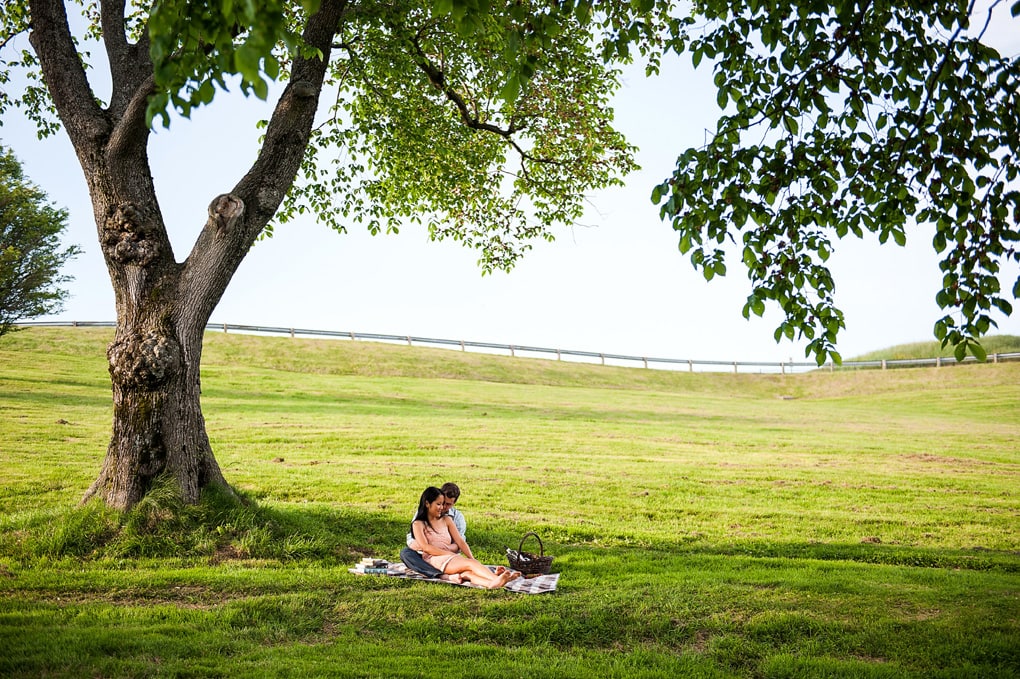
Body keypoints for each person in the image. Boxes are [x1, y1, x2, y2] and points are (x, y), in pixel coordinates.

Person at [407, 486, 518, 589]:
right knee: (470, 565)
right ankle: (496, 578)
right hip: (434, 559)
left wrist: (472, 559)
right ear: (427, 503)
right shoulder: (418, 524)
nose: (442, 508)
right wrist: (451, 554)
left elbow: (460, 541)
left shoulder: (447, 520)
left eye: (443, 504)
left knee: (468, 572)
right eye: (439, 504)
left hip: (450, 558)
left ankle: (491, 583)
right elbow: (425, 547)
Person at [400, 482, 464, 578]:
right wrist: (424, 546)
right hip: (424, 552)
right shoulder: (423, 514)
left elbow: (459, 543)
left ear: (454, 503)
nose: (443, 507)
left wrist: (444, 548)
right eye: (442, 503)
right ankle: (440, 574)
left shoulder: (457, 518)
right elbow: (412, 537)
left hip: (446, 554)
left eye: (448, 504)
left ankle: (428, 570)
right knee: (406, 553)